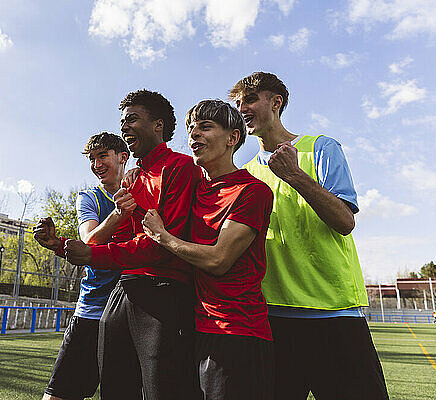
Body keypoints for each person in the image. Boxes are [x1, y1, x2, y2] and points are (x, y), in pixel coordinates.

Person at [229, 71, 389, 399]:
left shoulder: (320, 148)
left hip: (334, 316)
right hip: (272, 318)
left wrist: (294, 176)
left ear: (276, 102)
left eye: (249, 99)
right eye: (237, 103)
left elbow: (344, 221)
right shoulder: (245, 176)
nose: (241, 107)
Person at [38, 89, 203, 400]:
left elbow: (161, 243)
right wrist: (64, 247)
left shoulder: (181, 167)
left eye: (132, 119)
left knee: (161, 391)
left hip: (164, 294)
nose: (124, 127)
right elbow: (118, 240)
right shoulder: (133, 178)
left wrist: (89, 253)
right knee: (115, 390)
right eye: (122, 121)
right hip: (122, 294)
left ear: (158, 125)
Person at [142, 99, 275, 400]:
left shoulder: (252, 192)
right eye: (191, 129)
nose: (194, 135)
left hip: (238, 333)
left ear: (232, 138)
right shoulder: (194, 188)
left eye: (205, 127)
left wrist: (163, 237)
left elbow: (218, 260)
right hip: (195, 329)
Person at [34, 132, 131, 400]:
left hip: (130, 312)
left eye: (103, 156)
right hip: (91, 309)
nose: (96, 164)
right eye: (92, 158)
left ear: (123, 157)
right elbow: (89, 240)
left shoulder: (144, 189)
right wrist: (120, 213)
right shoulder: (88, 197)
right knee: (58, 395)